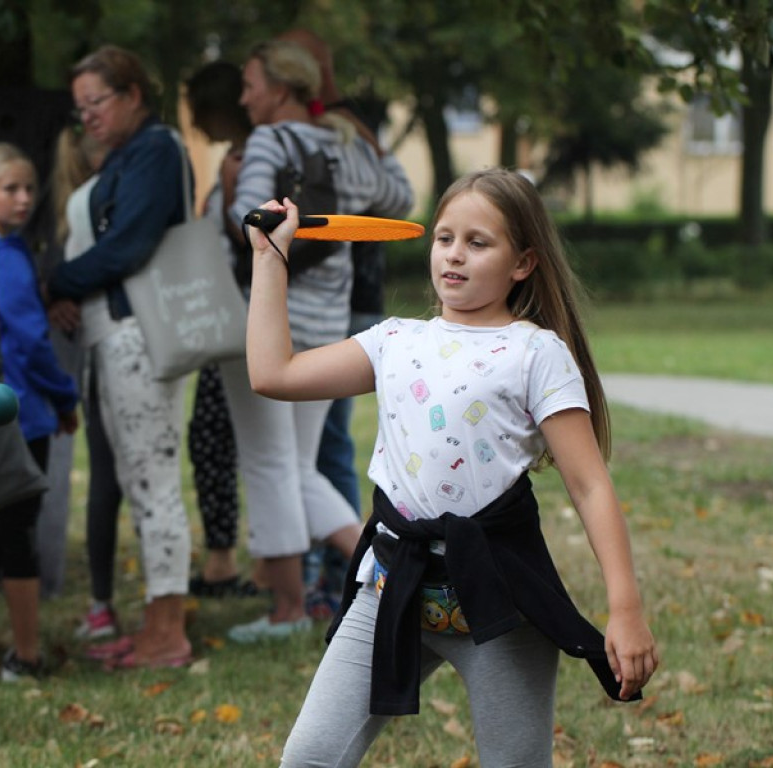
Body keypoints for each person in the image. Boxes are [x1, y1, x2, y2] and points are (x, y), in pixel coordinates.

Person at [243, 170, 659, 766]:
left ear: (524, 263)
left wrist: (626, 609)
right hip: (393, 587)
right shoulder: (394, 341)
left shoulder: (534, 352)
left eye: (478, 242)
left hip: (498, 598)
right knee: (308, 757)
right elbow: (272, 375)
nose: (454, 255)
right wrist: (269, 259)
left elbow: (591, 488)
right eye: (444, 238)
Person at [219, 39, 413, 643]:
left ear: (280, 88)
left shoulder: (271, 141)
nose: (244, 96)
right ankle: (384, 565)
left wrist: (234, 192)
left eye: (250, 84)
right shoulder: (347, 142)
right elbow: (399, 200)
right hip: (331, 319)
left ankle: (290, 608)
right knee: (297, 465)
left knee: (272, 463)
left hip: (273, 313)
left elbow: (245, 218)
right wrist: (372, 144)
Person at [45, 45, 193, 669]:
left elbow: (129, 244)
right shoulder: (132, 155)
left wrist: (55, 281)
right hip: (117, 336)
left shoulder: (156, 149)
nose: (88, 119)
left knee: (154, 483)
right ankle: (156, 623)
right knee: (139, 481)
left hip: (140, 336)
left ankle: (169, 635)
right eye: (80, 109)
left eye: (97, 103)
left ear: (133, 94)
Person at [0, 142, 79, 681]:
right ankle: (27, 653)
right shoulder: (9, 257)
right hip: (20, 414)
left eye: (29, 188)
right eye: (9, 188)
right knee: (17, 535)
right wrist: (65, 396)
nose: (23, 199)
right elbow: (33, 342)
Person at [46, 126, 126, 640]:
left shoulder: (72, 212)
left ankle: (102, 602)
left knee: (105, 478)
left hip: (98, 349)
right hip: (109, 347)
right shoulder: (91, 208)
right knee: (112, 477)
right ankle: (103, 602)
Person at [182, 60, 258, 598]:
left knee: (217, 438)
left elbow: (248, 239)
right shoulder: (235, 158)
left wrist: (229, 200)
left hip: (244, 319)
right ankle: (223, 557)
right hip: (227, 317)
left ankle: (227, 562)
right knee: (212, 439)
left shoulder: (246, 160)